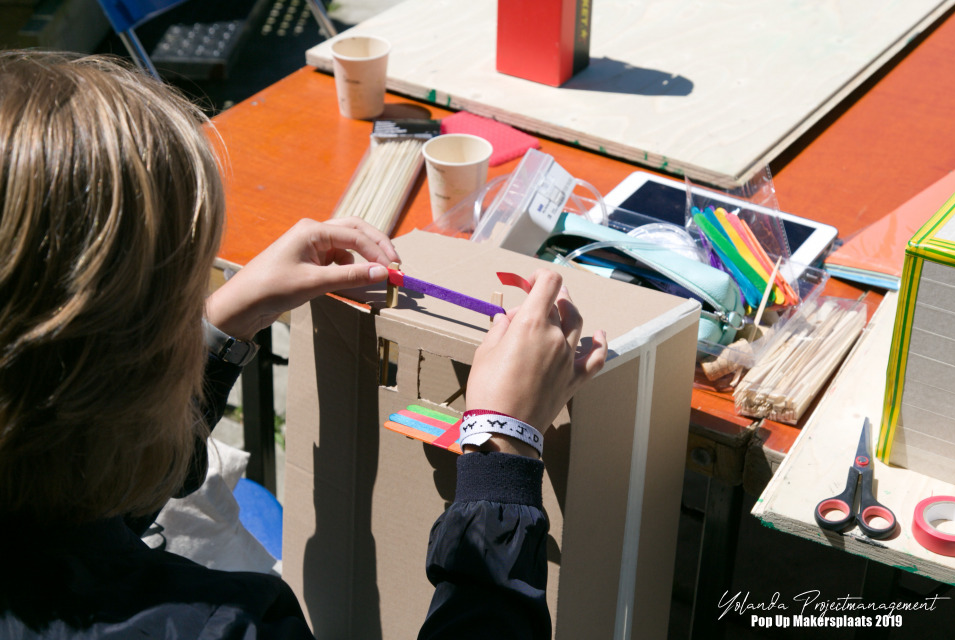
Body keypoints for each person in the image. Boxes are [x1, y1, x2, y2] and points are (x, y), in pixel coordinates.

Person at [0, 50, 606, 639]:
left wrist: (218, 328)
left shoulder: (35, 483)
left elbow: (71, 497)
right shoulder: (226, 628)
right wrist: (504, 447)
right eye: (185, 304)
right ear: (124, 370)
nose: (197, 314)